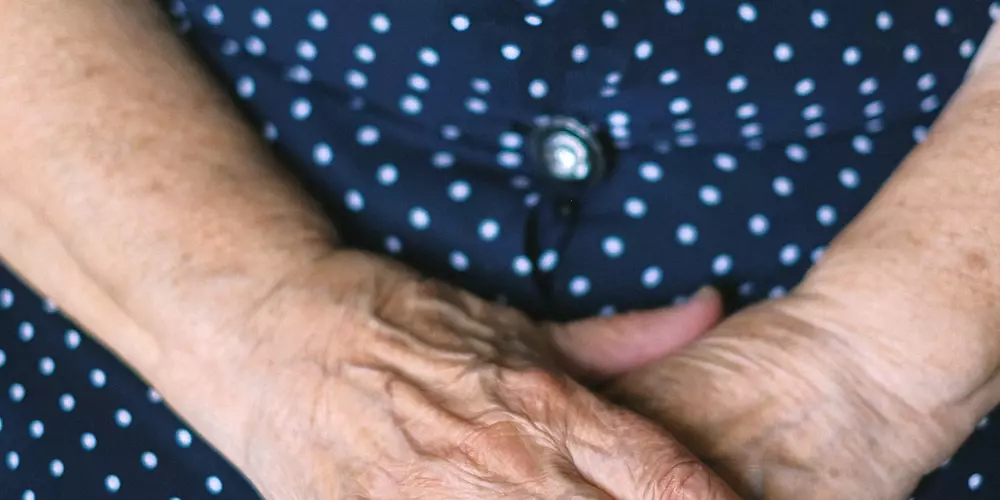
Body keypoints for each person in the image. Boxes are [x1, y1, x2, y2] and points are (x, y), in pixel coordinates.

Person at [0, 0, 998, 498]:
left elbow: (876, 372)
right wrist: (255, 330)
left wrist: (859, 378)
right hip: (138, 221)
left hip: (941, 277)